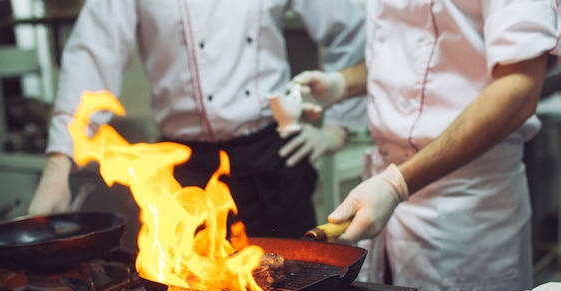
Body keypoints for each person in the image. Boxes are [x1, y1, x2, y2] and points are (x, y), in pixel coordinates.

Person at [27, 0, 366, 239]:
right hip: (184, 174)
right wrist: (57, 168)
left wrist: (337, 129)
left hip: (270, 163)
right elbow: (92, 55)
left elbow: (349, 31)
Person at [292, 0, 561, 291]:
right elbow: (413, 54)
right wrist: (342, 83)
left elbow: (520, 86)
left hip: (465, 204)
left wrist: (396, 184)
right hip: (387, 192)